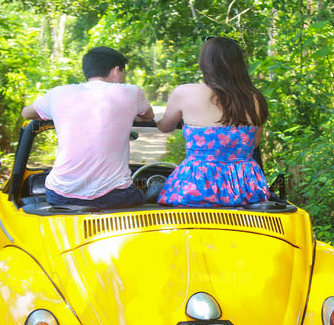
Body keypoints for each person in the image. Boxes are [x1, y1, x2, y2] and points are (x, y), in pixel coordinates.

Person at [21, 46, 153, 209]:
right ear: (116, 70)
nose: (124, 79)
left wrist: (58, 114)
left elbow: (26, 113)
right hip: (114, 197)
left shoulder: (58, 93)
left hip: (60, 195)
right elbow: (148, 116)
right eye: (124, 74)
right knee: (154, 192)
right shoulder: (131, 92)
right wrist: (126, 113)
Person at [156, 36, 269, 207]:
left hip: (197, 185)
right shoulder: (255, 98)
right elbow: (255, 143)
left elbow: (165, 127)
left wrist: (150, 119)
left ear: (205, 64)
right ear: (240, 64)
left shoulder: (184, 92)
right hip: (244, 186)